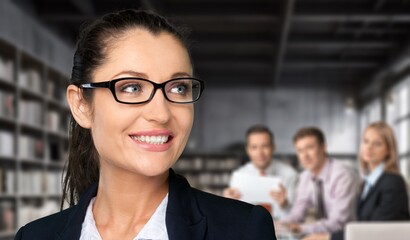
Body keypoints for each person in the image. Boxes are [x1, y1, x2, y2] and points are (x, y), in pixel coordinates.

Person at [14, 9, 275, 240]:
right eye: (132, 87)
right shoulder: (34, 236)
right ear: (81, 105)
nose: (161, 113)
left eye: (178, 87)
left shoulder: (243, 230)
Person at [303, 121, 410, 240]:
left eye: (377, 144)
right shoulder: (367, 183)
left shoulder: (393, 183)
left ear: (389, 150)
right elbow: (361, 226)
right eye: (366, 141)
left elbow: (376, 231)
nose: (369, 147)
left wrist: (328, 237)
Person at [279, 127, 360, 236]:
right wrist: (280, 224)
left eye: (309, 148)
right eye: (300, 150)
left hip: (346, 236)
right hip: (323, 235)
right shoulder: (305, 177)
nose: (305, 156)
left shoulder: (342, 175)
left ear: (323, 147)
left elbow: (338, 223)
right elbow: (298, 212)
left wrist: (300, 229)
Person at [223, 124, 298, 219]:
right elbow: (233, 215)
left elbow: (298, 216)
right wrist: (227, 204)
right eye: (254, 147)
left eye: (265, 146)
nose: (260, 153)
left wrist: (285, 205)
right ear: (248, 150)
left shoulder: (290, 175)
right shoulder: (239, 176)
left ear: (273, 147)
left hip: (280, 230)